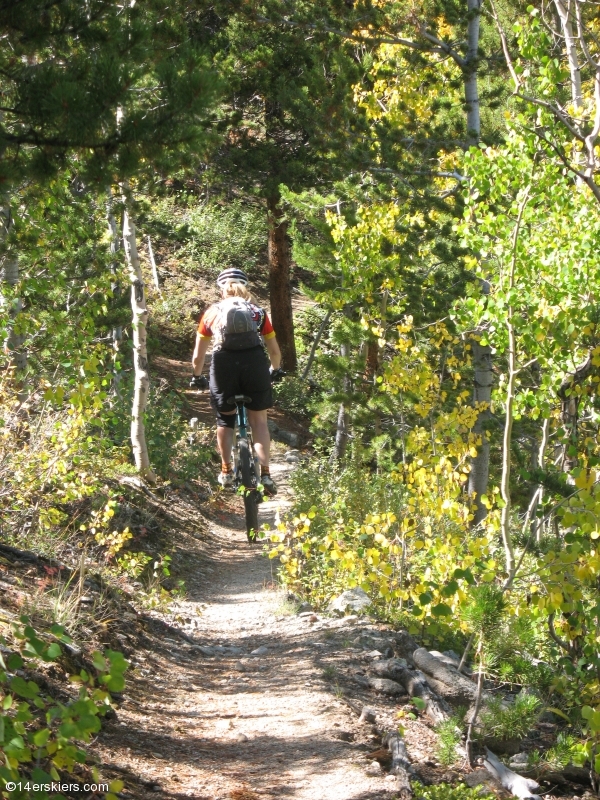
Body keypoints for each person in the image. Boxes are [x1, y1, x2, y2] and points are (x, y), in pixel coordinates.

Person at [190, 267, 284, 495]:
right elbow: (274, 352)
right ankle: (266, 474)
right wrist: (275, 370)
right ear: (246, 288)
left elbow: (198, 356)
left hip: (223, 366)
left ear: (221, 290)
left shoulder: (211, 313)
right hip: (255, 364)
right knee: (259, 422)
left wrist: (197, 376)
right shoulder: (257, 312)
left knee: (224, 419)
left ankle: (226, 470)